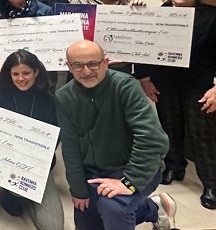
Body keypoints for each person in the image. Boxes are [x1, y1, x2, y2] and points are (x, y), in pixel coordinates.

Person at [56, 40, 175, 230]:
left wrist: (129, 181)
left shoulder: (125, 86)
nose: (86, 71)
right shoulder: (64, 96)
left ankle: (141, 205)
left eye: (93, 64)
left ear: (105, 63)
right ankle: (153, 208)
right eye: (78, 65)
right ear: (69, 67)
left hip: (131, 166)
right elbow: (70, 149)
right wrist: (78, 190)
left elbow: (153, 140)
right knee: (89, 222)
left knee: (113, 207)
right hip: (93, 171)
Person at [136, 0, 216, 209]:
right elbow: (143, 46)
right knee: (169, 128)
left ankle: (211, 183)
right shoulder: (156, 14)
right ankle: (174, 167)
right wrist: (144, 78)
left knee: (202, 135)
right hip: (165, 83)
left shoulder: (212, 16)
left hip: (201, 85)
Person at [0, 50, 62, 230]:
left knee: (53, 227)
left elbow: (55, 139)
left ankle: (22, 196)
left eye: (26, 73)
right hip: (5, 162)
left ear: (36, 72)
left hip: (38, 166)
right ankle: (12, 195)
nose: (21, 78)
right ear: (9, 74)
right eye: (15, 74)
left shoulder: (49, 100)